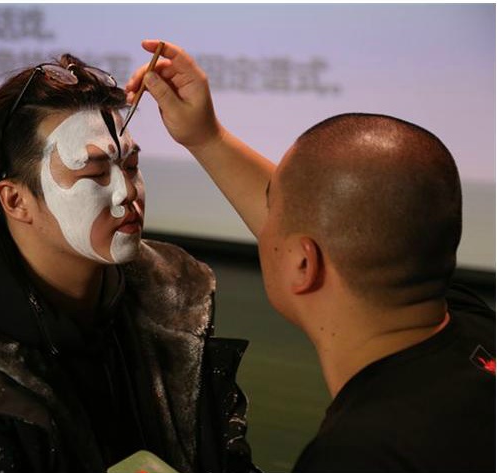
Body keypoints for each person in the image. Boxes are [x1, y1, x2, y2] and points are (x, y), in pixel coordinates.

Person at [0, 54, 259, 473]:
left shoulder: (171, 312)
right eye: (94, 174)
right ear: (16, 200)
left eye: (131, 165)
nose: (126, 192)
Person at [126, 40, 495, 472]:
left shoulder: (358, 455)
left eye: (272, 208)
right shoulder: (473, 327)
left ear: (304, 264)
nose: (264, 221)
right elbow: (346, 216)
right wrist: (207, 137)